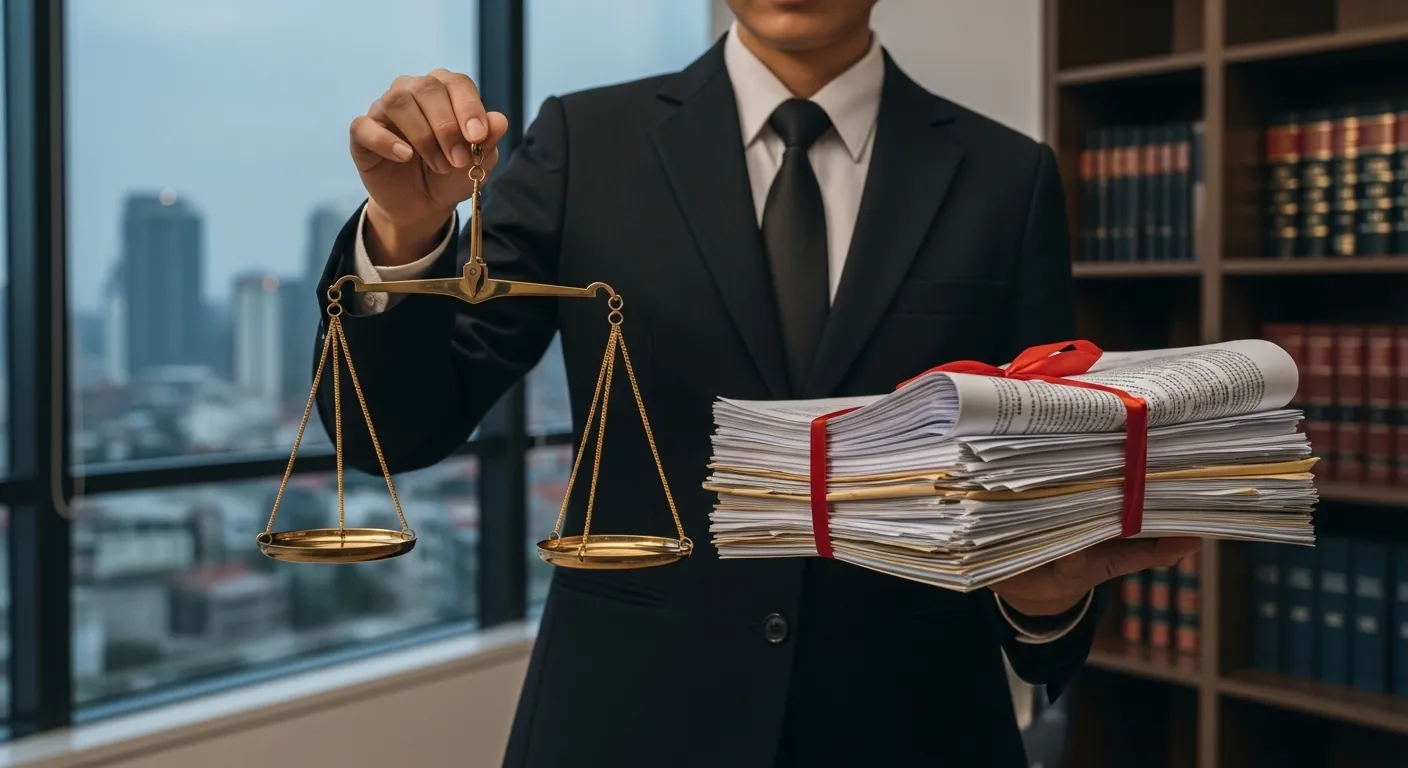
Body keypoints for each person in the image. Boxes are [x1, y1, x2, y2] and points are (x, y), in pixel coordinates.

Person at [315, 1, 1202, 765]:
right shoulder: (585, 143)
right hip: (628, 721)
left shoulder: (1007, 178)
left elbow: (1042, 484)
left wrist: (1046, 606)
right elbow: (392, 431)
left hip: (915, 721)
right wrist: (404, 234)